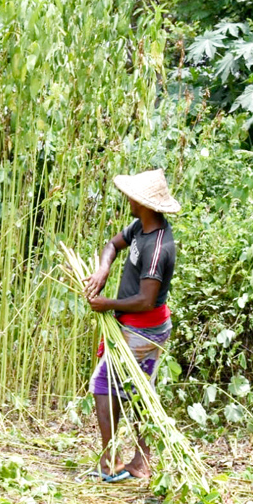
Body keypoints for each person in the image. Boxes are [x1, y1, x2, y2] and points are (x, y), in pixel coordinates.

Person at [84, 168, 180, 482]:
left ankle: (111, 458)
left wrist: (106, 304)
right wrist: (102, 271)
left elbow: (145, 300)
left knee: (103, 383)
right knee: (140, 391)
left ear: (146, 204)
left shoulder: (158, 248)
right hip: (137, 325)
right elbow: (113, 244)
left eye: (133, 197)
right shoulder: (142, 226)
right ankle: (140, 460)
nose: (128, 199)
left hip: (144, 329)